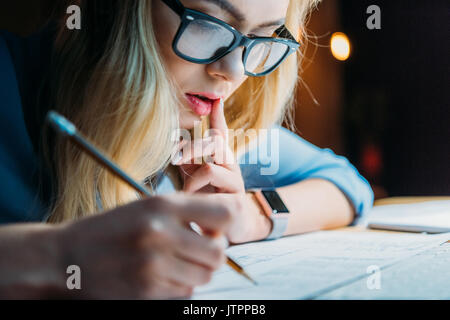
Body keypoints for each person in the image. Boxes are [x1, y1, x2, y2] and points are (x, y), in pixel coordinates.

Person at [0, 0, 373, 299]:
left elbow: (346, 184)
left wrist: (248, 215)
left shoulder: (204, 125)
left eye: (263, 36)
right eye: (208, 24)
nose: (233, 71)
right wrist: (61, 257)